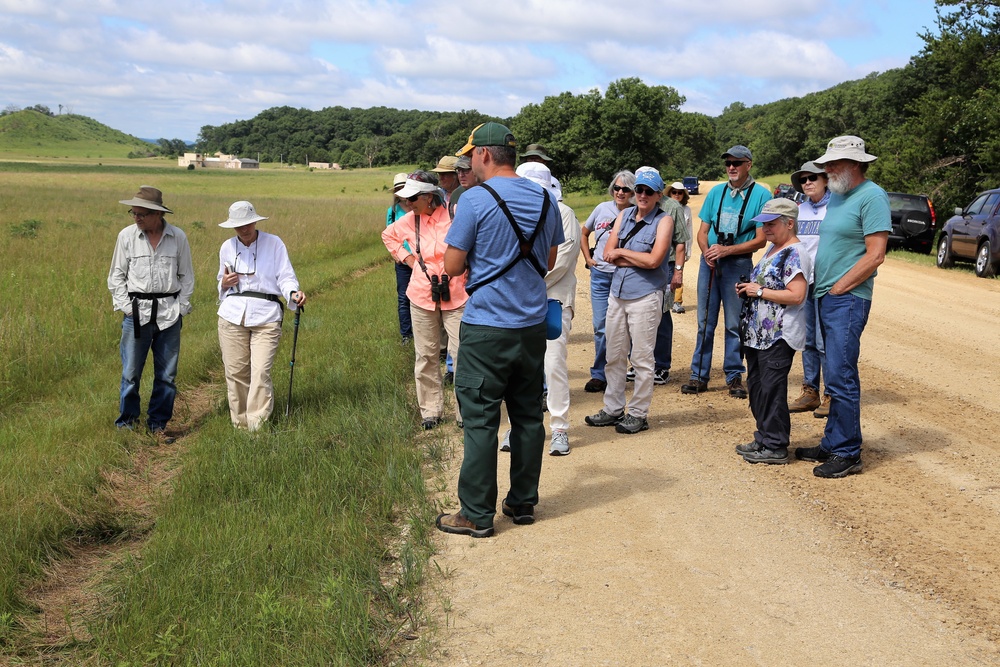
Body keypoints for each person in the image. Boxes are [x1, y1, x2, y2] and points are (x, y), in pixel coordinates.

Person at [437, 122, 564, 538]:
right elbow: (546, 261)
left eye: (471, 155)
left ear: (486, 155)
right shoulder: (545, 199)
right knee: (528, 416)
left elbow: (453, 267)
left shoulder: (474, 199)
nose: (469, 162)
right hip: (530, 326)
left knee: (481, 420)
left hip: (486, 327)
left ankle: (475, 514)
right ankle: (523, 502)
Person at [794, 136, 891, 478]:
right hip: (825, 295)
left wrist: (839, 287)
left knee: (841, 374)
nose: (827, 169)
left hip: (847, 298)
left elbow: (876, 254)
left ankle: (848, 452)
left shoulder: (872, 196)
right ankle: (832, 443)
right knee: (833, 374)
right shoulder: (837, 195)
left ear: (855, 164)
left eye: (834, 164)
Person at [584, 169, 674, 435]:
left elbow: (654, 261)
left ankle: (638, 413)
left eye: (648, 191)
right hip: (618, 293)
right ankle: (612, 408)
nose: (642, 195)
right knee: (614, 355)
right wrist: (630, 256)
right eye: (639, 190)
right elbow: (606, 254)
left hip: (645, 296)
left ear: (658, 195)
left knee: (642, 358)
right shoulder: (623, 215)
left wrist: (623, 253)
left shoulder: (664, 220)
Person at [382, 170, 469, 430]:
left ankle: (465, 411)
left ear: (430, 197)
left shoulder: (455, 216)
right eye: (406, 198)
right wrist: (409, 260)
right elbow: (388, 235)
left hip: (458, 293)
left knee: (463, 352)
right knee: (426, 355)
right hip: (421, 294)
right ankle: (431, 411)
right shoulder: (408, 220)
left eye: (413, 198)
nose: (407, 203)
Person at [682, 145, 770, 398]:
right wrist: (708, 252)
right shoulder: (716, 192)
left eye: (737, 163)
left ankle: (734, 376)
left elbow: (760, 240)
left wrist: (726, 251)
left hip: (738, 264)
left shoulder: (761, 196)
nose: (731, 167)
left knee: (734, 324)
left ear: (748, 165)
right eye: (728, 163)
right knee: (704, 322)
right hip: (710, 263)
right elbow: (701, 231)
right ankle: (699, 375)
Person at [108, 186, 194, 441]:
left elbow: (187, 277)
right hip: (136, 315)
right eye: (133, 212)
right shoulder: (126, 236)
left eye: (141, 213)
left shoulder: (178, 237)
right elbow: (116, 276)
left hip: (169, 315)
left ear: (157, 214)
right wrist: (126, 307)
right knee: (131, 373)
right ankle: (127, 425)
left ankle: (158, 425)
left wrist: (181, 308)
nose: (136, 218)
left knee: (167, 375)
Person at [733, 198, 811, 464]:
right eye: (763, 224)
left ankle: (776, 445)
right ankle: (764, 438)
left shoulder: (794, 252)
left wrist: (760, 291)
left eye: (771, 224)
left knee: (771, 390)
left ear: (789, 223)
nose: (765, 229)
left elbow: (798, 295)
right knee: (757, 388)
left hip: (778, 335)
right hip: (758, 335)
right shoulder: (773, 249)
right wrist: (749, 290)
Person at [217, 201, 306, 431]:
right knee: (236, 373)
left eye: (247, 224)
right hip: (232, 314)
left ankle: (257, 429)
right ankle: (240, 425)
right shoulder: (226, 247)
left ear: (255, 221)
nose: (243, 229)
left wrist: (293, 294)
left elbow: (285, 276)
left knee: (260, 372)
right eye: (238, 226)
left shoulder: (274, 243)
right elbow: (221, 283)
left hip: (266, 315)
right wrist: (223, 283)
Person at [517, 161, 581, 455]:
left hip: (552, 300)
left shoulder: (564, 213)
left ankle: (559, 428)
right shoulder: (518, 212)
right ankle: (520, 428)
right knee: (521, 367)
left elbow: (561, 261)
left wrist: (521, 284)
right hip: (519, 301)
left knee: (553, 364)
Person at [580, 170, 635, 393]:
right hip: (601, 276)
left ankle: (625, 370)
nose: (620, 192)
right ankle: (599, 374)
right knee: (601, 327)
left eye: (625, 189)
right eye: (617, 188)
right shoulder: (601, 209)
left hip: (624, 276)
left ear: (633, 192)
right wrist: (588, 258)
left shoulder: (636, 213)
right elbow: (584, 233)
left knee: (626, 327)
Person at [788, 161, 832, 417]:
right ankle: (810, 391)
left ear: (825, 179)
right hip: (803, 282)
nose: (807, 183)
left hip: (826, 281)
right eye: (803, 179)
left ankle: (830, 394)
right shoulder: (799, 211)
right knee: (807, 341)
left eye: (812, 178)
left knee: (824, 341)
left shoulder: (835, 209)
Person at [648, 171, 689, 385]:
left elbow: (681, 242)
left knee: (662, 314)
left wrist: (679, 271)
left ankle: (662, 365)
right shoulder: (636, 203)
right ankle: (641, 364)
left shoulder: (671, 207)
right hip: (642, 265)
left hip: (667, 265)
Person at [387, 173, 414, 344]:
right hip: (403, 261)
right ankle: (406, 334)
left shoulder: (416, 206)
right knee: (404, 297)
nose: (401, 191)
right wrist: (395, 254)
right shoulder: (393, 211)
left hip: (421, 259)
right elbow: (389, 234)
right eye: (398, 188)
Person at [668, 182, 693, 314]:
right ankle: (667, 300)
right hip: (667, 247)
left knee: (678, 273)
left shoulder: (686, 210)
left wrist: (688, 250)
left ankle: (677, 301)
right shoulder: (664, 207)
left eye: (680, 192)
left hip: (680, 247)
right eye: (674, 192)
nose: (677, 195)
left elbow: (689, 232)